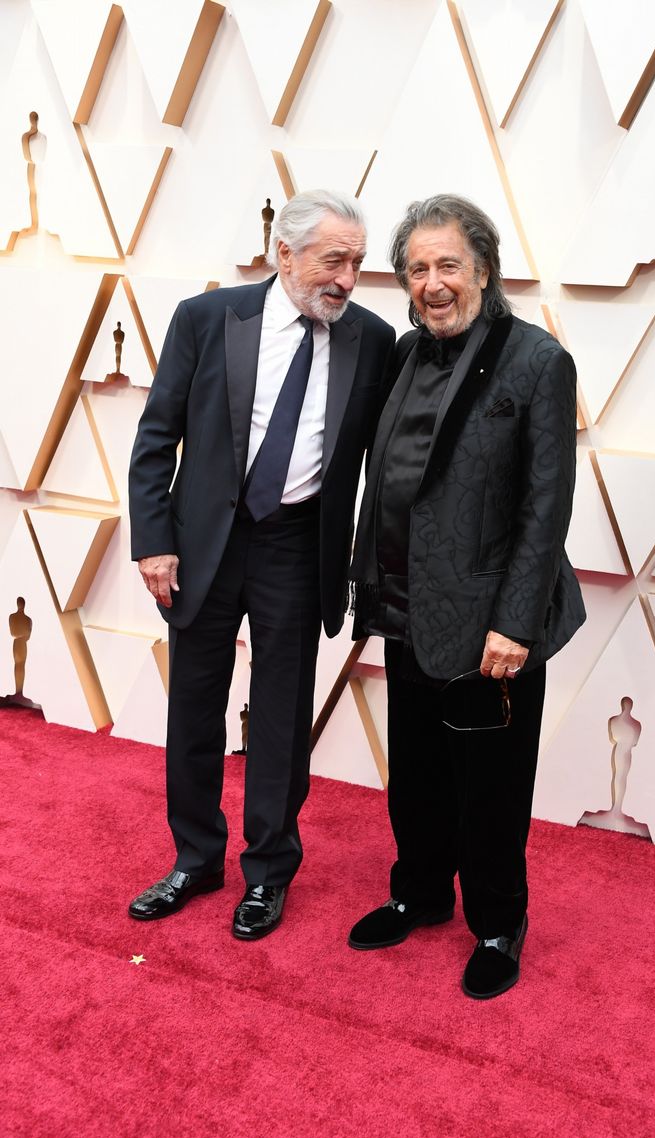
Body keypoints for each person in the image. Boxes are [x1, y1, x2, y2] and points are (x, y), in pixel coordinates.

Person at [127, 189, 395, 940]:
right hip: (206, 542)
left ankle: (268, 872)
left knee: (281, 717)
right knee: (194, 708)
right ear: (284, 253)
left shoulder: (373, 339)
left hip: (299, 546)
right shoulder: (207, 318)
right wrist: (153, 539)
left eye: (357, 263)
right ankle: (195, 859)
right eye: (333, 260)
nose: (346, 279)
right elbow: (156, 437)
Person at [347, 194, 585, 999]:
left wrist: (515, 623)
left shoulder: (537, 361)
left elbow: (545, 507)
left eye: (448, 264)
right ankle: (419, 892)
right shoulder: (404, 353)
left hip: (491, 620)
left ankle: (497, 922)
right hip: (405, 604)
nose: (432, 283)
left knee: (491, 784)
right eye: (417, 269)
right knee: (416, 771)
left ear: (484, 269)